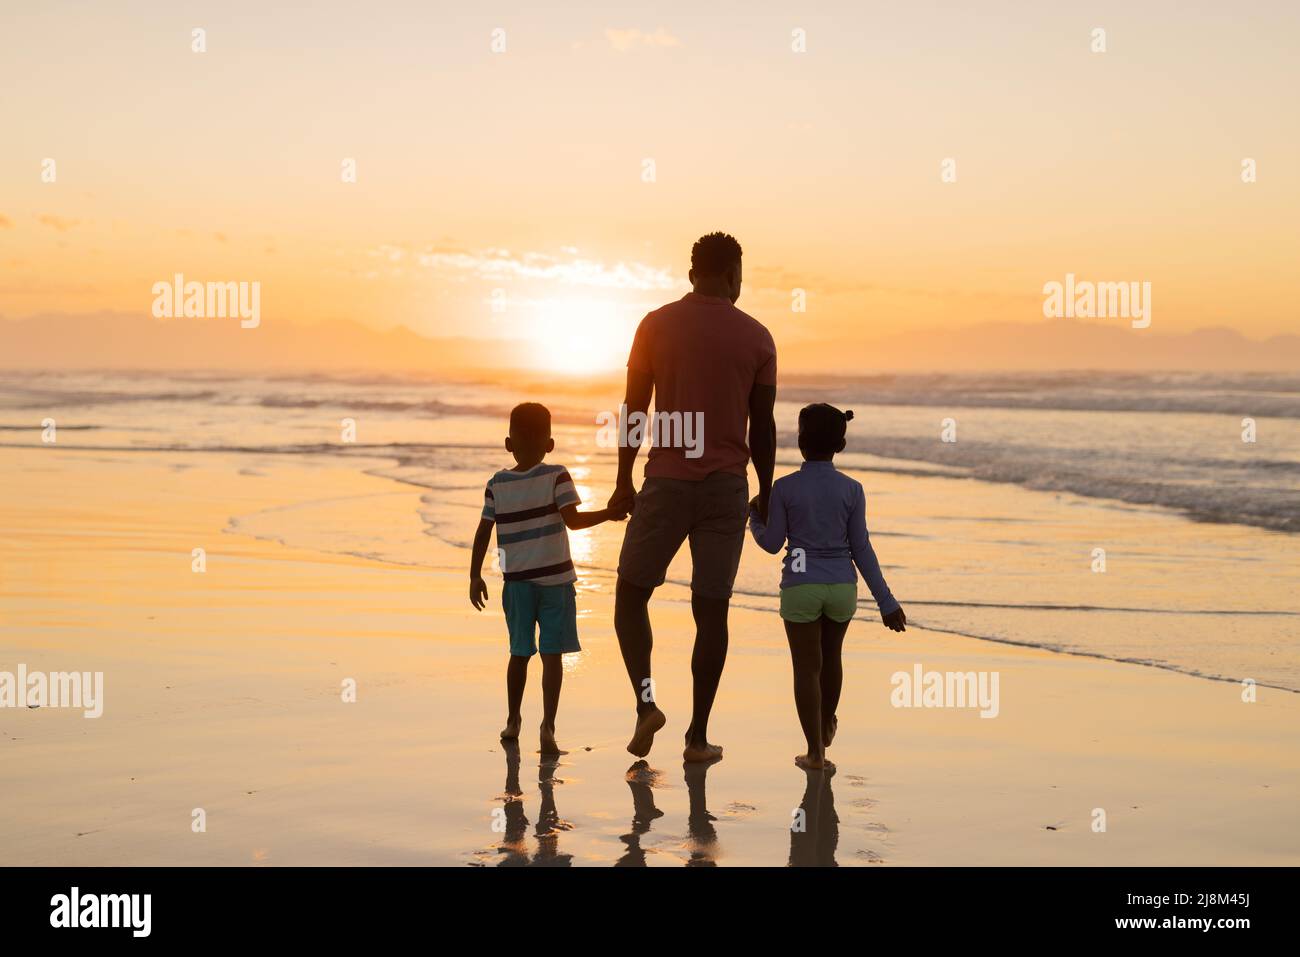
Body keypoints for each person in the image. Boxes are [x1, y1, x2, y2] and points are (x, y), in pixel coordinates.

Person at [608, 232, 778, 762]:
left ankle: (646, 704)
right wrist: (766, 491)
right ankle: (697, 737)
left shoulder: (654, 325)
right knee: (712, 611)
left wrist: (622, 479)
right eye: (741, 275)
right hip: (727, 486)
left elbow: (635, 408)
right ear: (732, 275)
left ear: (691, 274)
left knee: (631, 596)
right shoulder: (757, 337)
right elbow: (764, 427)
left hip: (666, 482)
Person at [748, 403, 907, 770]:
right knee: (831, 657)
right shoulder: (852, 489)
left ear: (800, 441)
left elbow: (772, 544)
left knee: (807, 668)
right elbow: (861, 548)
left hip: (801, 586)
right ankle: (827, 723)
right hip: (841, 587)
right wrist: (886, 602)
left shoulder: (784, 489)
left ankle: (815, 753)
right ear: (841, 444)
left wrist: (754, 517)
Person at [469, 402, 627, 754]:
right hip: (555, 582)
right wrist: (610, 513)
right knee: (552, 655)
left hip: (517, 584)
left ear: (509, 444)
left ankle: (513, 720)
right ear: (550, 443)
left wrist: (474, 575)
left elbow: (483, 532)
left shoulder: (497, 483)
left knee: (519, 653)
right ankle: (548, 727)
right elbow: (574, 521)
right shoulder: (557, 475)